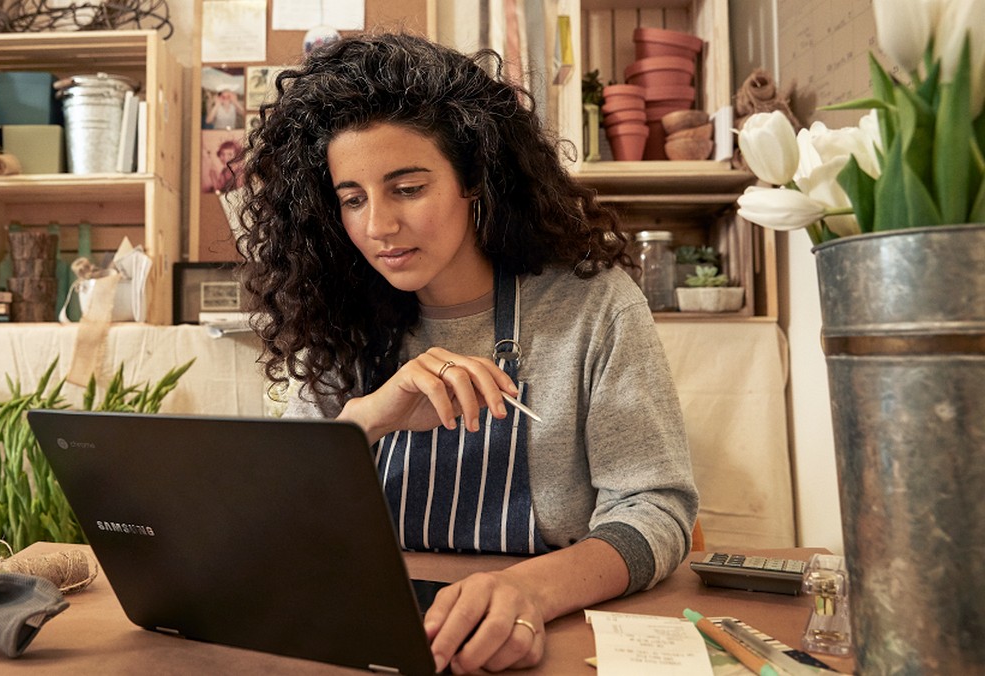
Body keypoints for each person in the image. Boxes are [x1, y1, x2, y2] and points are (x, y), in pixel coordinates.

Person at [237, 33, 698, 674]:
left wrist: (531, 590)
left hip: (546, 630)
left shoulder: (592, 307)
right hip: (371, 634)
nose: (378, 227)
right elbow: (271, 517)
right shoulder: (337, 319)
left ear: (474, 179)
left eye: (406, 188)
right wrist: (365, 419)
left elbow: (658, 509)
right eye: (352, 199)